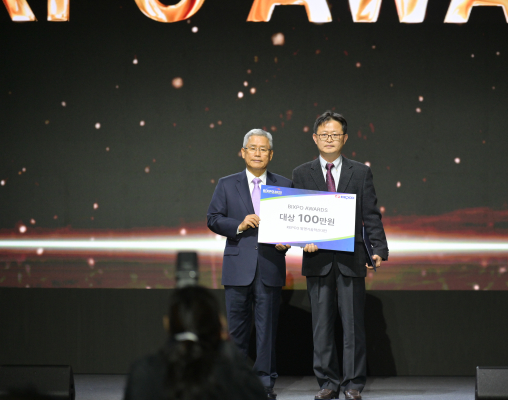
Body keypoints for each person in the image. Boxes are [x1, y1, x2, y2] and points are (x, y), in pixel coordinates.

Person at [291, 111, 389, 400]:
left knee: (353, 325)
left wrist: (379, 249)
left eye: (335, 134)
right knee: (321, 326)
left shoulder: (360, 172)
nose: (329, 139)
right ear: (314, 138)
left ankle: (353, 383)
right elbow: (295, 216)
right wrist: (302, 241)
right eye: (324, 134)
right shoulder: (301, 173)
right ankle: (327, 383)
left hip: (351, 257)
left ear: (345, 138)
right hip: (317, 259)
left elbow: (371, 214)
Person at [206, 129, 292, 399]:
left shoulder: (285, 185)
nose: (257, 153)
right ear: (242, 152)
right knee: (236, 331)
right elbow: (213, 218)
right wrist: (239, 224)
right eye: (252, 148)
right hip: (237, 268)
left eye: (263, 149)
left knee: (267, 331)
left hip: (270, 266)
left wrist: (288, 242)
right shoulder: (226, 184)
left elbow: (293, 224)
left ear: (271, 154)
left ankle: (264, 384)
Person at [123, 286, 267, 400]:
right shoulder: (234, 377)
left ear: (167, 324)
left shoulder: (144, 374)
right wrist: (227, 345)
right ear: (220, 324)